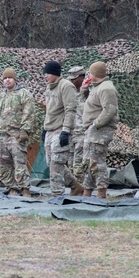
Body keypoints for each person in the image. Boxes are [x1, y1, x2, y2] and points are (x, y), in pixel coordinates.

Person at [0, 67, 36, 197]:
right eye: (5, 78)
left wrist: (25, 131)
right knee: (4, 165)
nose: (7, 80)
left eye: (9, 78)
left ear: (15, 79)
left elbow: (29, 113)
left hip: (16, 136)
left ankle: (25, 189)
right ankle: (11, 188)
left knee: (19, 164)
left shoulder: (24, 94)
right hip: (1, 136)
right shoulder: (0, 96)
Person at [42, 60, 84, 196]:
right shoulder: (49, 87)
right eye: (45, 73)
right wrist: (44, 128)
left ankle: (57, 195)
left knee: (56, 162)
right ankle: (75, 185)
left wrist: (66, 131)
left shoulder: (66, 86)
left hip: (61, 129)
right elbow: (50, 110)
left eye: (48, 73)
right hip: (50, 129)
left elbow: (70, 109)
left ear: (55, 73)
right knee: (51, 163)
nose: (45, 76)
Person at [80, 61, 120, 199]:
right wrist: (84, 89)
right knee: (90, 162)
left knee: (97, 163)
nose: (88, 75)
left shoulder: (106, 88)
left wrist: (95, 124)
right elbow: (92, 104)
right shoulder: (97, 87)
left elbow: (109, 110)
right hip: (93, 130)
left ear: (95, 73)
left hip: (100, 130)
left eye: (90, 72)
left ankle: (101, 193)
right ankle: (87, 192)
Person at [66, 66, 90, 187]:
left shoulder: (89, 92)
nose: (71, 81)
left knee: (79, 163)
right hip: (70, 132)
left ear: (81, 77)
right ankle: (74, 187)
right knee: (70, 162)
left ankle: (81, 186)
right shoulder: (68, 92)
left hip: (82, 132)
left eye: (74, 78)